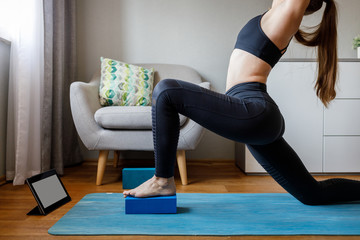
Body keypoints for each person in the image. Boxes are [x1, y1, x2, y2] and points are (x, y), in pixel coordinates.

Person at [123, 0, 360, 205]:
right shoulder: (274, 12)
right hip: (254, 116)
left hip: (255, 112)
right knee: (312, 194)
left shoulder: (288, 13)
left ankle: (162, 180)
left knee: (166, 91)